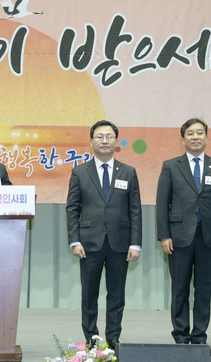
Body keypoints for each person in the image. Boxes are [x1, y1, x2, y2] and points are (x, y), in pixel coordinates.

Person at [156, 118, 211, 355]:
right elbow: (162, 204)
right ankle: (181, 336)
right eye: (190, 133)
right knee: (179, 289)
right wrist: (164, 235)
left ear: (207, 138)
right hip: (178, 237)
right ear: (183, 139)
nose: (195, 137)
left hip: (208, 237)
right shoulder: (171, 166)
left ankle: (199, 338)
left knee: (203, 289)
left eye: (200, 133)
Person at [66, 120, 142, 353]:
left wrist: (135, 243)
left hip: (120, 243)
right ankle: (91, 339)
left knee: (116, 295)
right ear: (91, 142)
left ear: (116, 142)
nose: (104, 140)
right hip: (89, 243)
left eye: (109, 136)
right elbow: (72, 208)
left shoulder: (128, 172)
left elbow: (135, 210)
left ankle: (113, 339)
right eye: (99, 136)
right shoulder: (80, 172)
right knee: (89, 295)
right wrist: (75, 240)